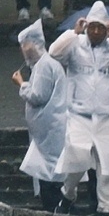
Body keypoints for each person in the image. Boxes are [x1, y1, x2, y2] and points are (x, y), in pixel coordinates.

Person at [48, 4, 109, 214]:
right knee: (77, 159)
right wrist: (73, 33)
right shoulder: (75, 44)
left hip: (108, 116)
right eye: (92, 27)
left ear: (107, 28)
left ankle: (105, 208)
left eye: (101, 28)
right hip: (79, 115)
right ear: (86, 26)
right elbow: (53, 52)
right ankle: (68, 194)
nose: (96, 32)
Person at [14, 17, 66, 205]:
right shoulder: (42, 65)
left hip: (50, 131)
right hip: (47, 131)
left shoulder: (44, 66)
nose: (23, 49)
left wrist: (21, 84)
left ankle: (53, 208)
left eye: (25, 44)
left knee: (49, 175)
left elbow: (38, 96)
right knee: (48, 172)